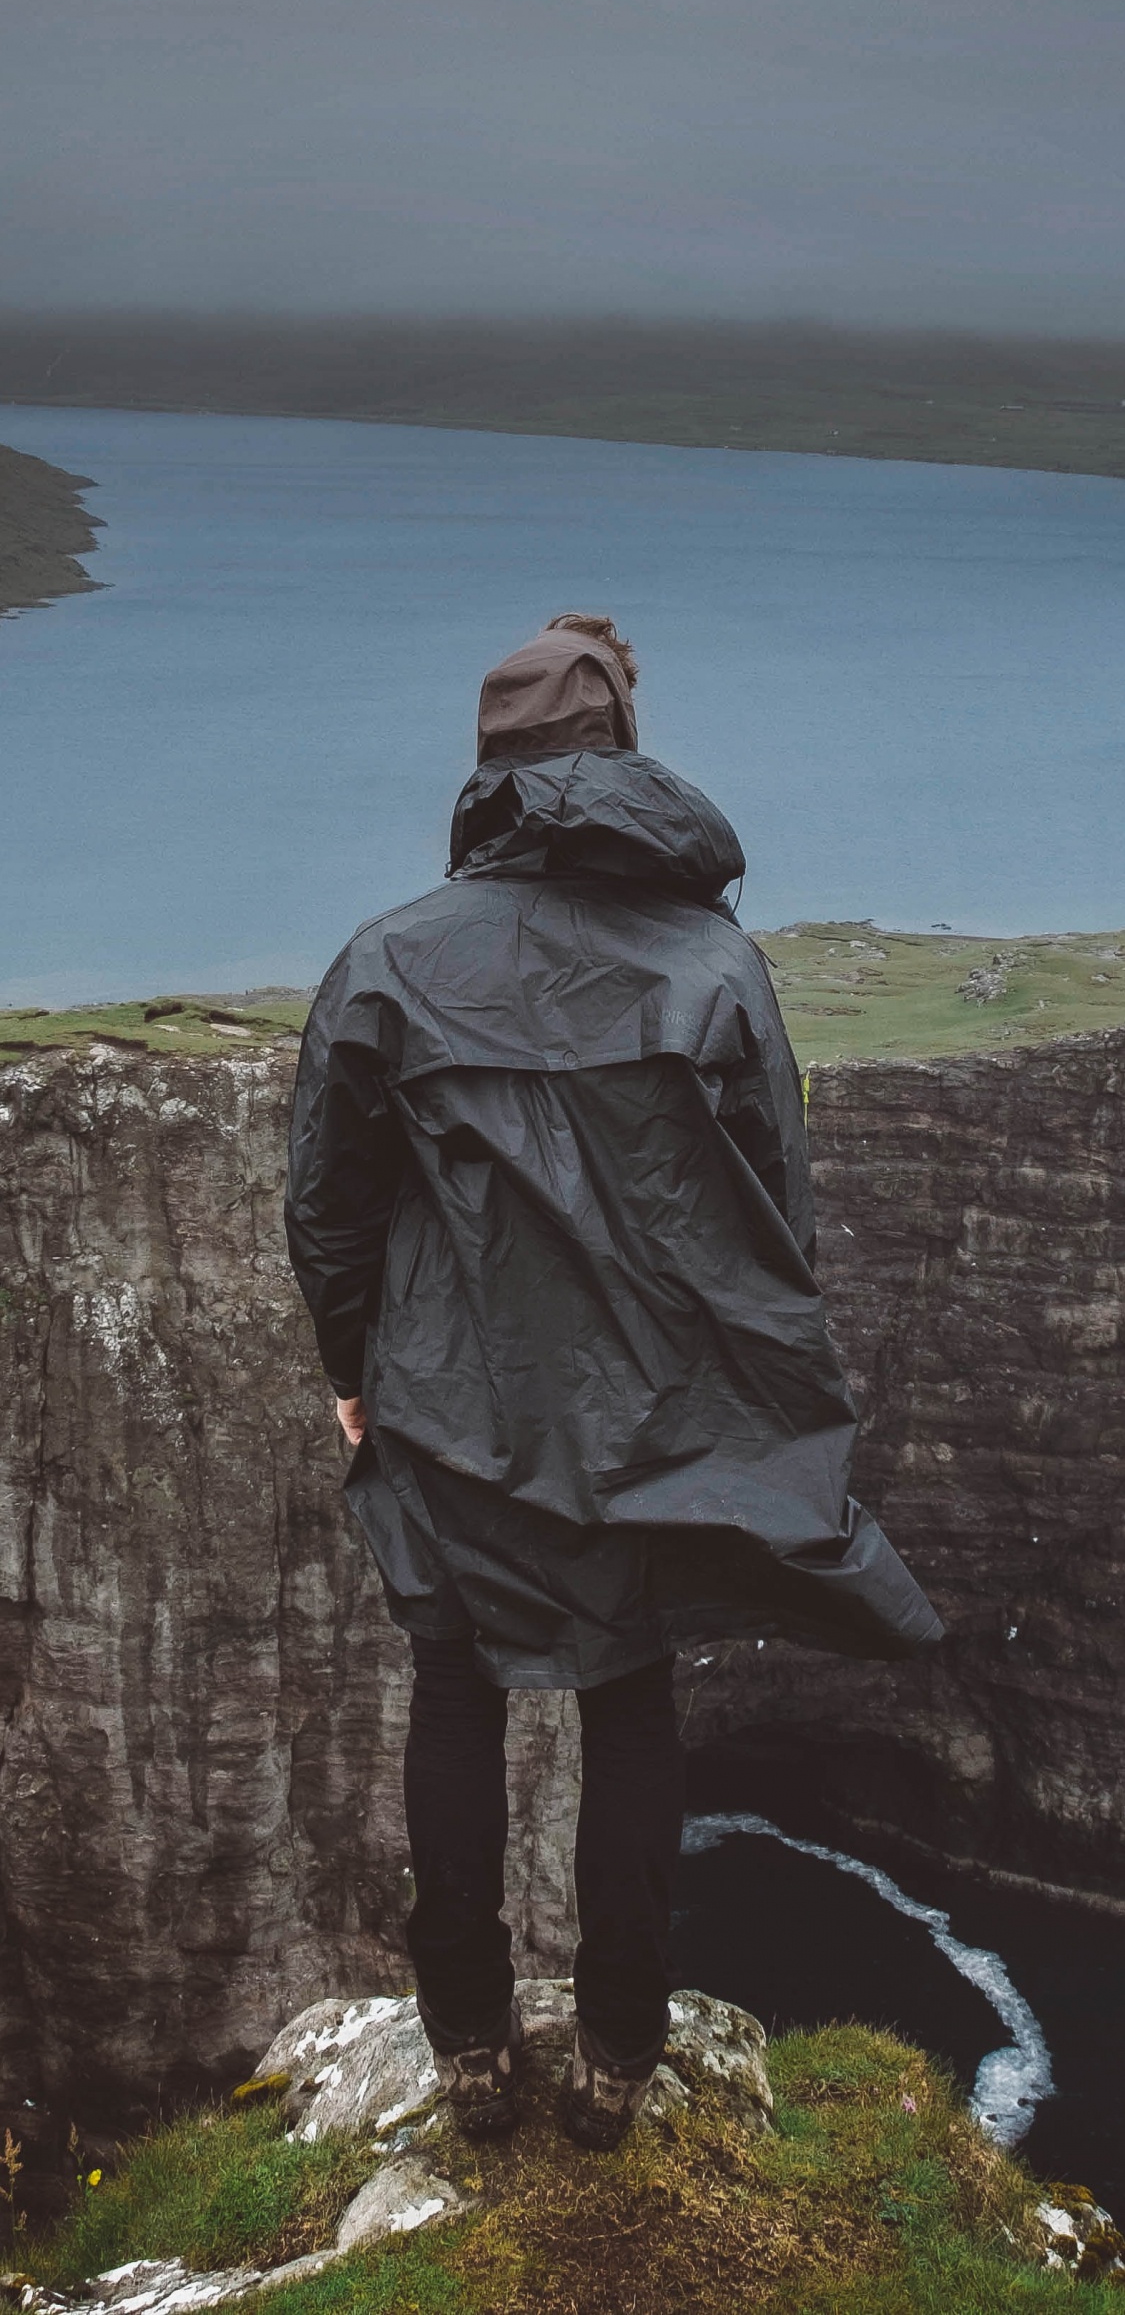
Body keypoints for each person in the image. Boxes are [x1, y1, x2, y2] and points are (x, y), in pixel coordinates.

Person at [284, 613, 942, 2152]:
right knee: (628, 1699)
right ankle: (616, 2058)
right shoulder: (713, 961)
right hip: (657, 1423)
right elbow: (777, 1203)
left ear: (490, 773)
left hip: (449, 1408)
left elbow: (329, 1202)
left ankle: (464, 2045)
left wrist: (352, 1371)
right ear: (620, 759)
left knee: (453, 1691)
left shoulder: (387, 959)